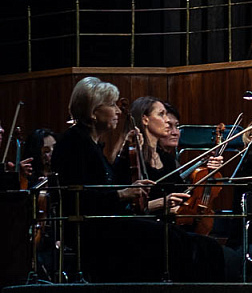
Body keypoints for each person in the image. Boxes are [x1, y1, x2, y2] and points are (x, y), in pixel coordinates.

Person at [51, 76, 227, 282]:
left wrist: (129, 190)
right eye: (111, 105)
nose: (118, 111)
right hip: (92, 230)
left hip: (105, 224)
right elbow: (77, 199)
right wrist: (123, 194)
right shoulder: (74, 143)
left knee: (207, 246)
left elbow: (103, 189)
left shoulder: (91, 144)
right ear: (93, 112)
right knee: (171, 239)